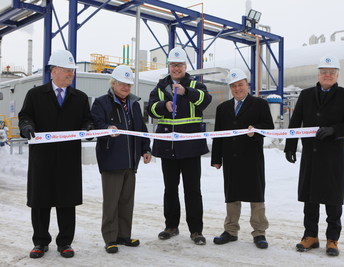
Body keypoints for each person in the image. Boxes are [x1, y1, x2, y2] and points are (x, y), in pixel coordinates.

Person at [18, 49, 93, 259]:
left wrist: (88, 128)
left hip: (68, 158)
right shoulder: (35, 95)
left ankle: (65, 242)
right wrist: (26, 126)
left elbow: (87, 120)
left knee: (66, 201)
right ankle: (40, 242)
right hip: (42, 157)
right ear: (54, 71)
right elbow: (25, 116)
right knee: (41, 201)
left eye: (73, 71)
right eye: (67, 71)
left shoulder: (80, 98)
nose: (71, 74)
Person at [284, 55, 344, 256]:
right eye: (324, 72)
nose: (327, 75)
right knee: (310, 198)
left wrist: (334, 130)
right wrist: (290, 146)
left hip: (332, 156)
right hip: (311, 155)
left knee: (333, 200)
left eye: (331, 72)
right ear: (318, 74)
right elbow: (295, 122)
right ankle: (310, 236)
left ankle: (332, 239)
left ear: (337, 75)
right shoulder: (306, 95)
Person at [147, 47, 212, 245]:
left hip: (190, 147)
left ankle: (196, 230)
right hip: (168, 147)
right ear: (169, 66)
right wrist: (163, 106)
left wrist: (186, 92)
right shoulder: (160, 87)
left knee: (192, 190)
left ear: (185, 66)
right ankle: (171, 226)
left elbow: (205, 100)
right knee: (170, 189)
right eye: (173, 65)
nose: (176, 69)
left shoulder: (195, 85)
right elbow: (150, 109)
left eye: (179, 65)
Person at [211, 68, 274, 249]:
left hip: (251, 157)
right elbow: (218, 134)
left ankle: (259, 232)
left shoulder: (259, 105)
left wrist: (255, 130)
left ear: (247, 85)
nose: (237, 89)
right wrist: (217, 158)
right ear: (230, 88)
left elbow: (268, 127)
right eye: (234, 86)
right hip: (231, 158)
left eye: (240, 85)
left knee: (256, 195)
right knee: (232, 194)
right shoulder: (222, 108)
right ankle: (230, 230)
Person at [91, 65, 152, 254]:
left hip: (130, 162)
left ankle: (124, 235)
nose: (126, 88)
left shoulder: (133, 104)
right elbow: (96, 124)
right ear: (113, 83)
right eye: (122, 84)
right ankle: (110, 238)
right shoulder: (101, 103)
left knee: (126, 202)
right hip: (111, 160)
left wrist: (145, 148)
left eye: (129, 85)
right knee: (111, 202)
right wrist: (107, 128)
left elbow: (141, 129)